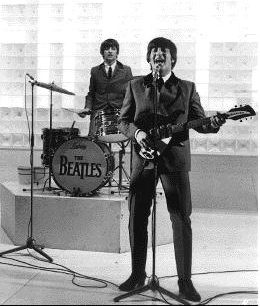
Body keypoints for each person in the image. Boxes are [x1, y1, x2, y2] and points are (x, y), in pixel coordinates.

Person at [117, 37, 225, 302]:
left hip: (174, 162)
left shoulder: (187, 88)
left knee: (180, 219)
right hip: (143, 160)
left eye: (163, 52)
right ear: (149, 58)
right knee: (137, 217)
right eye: (153, 51)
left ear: (173, 59)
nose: (158, 55)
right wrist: (138, 133)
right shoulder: (135, 86)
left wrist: (215, 122)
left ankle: (185, 282)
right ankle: (136, 274)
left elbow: (200, 123)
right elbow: (123, 121)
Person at [78, 38, 133, 136]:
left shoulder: (126, 70)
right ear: (102, 52)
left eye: (113, 49)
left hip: (119, 111)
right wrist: (87, 108)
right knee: (93, 140)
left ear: (117, 52)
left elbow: (130, 94)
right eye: (107, 49)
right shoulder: (95, 71)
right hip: (99, 110)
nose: (110, 51)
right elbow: (91, 93)